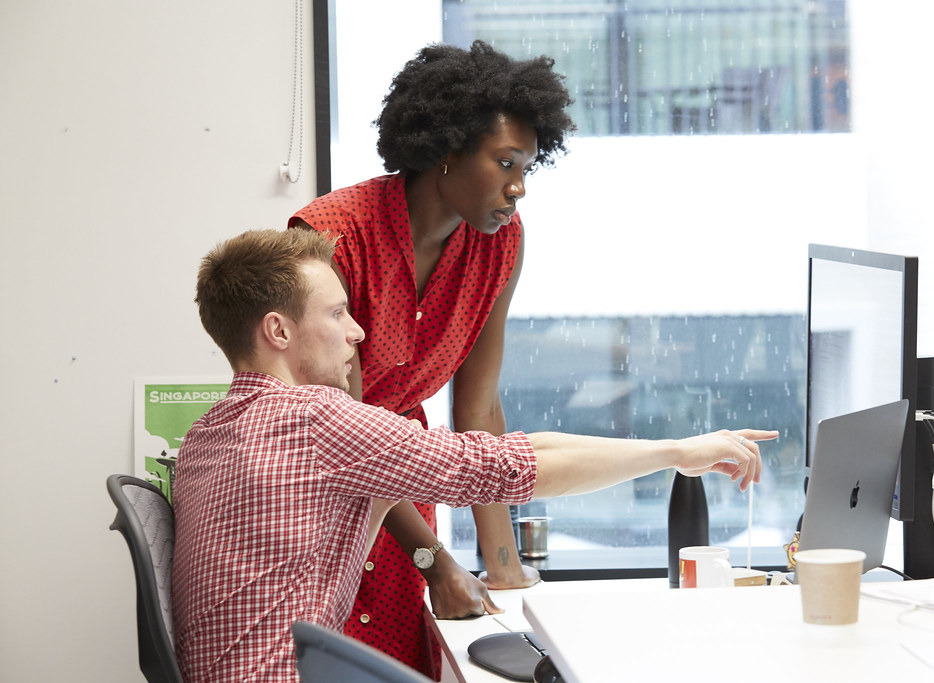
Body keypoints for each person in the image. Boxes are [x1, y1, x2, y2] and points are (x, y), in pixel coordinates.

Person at [171, 228, 775, 683]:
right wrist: (677, 452)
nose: (357, 331)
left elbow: (504, 454)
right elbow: (509, 468)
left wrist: (673, 451)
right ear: (278, 331)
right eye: (336, 313)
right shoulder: (313, 421)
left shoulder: (210, 433)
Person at [288, 40, 576, 676]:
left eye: (527, 167)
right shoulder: (330, 235)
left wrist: (503, 567)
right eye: (505, 162)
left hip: (403, 493)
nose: (518, 188)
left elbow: (479, 408)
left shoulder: (501, 244)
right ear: (447, 148)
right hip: (317, 499)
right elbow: (346, 434)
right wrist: (434, 560)